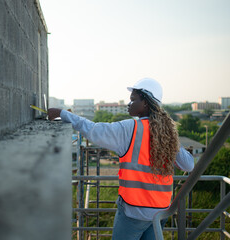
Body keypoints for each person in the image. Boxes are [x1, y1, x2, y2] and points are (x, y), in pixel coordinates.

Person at [48, 78, 194, 240]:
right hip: (160, 212)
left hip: (134, 213)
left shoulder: (130, 128)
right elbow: (188, 165)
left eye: (133, 100)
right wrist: (174, 142)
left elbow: (94, 130)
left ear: (145, 102)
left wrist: (63, 114)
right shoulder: (167, 134)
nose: (128, 104)